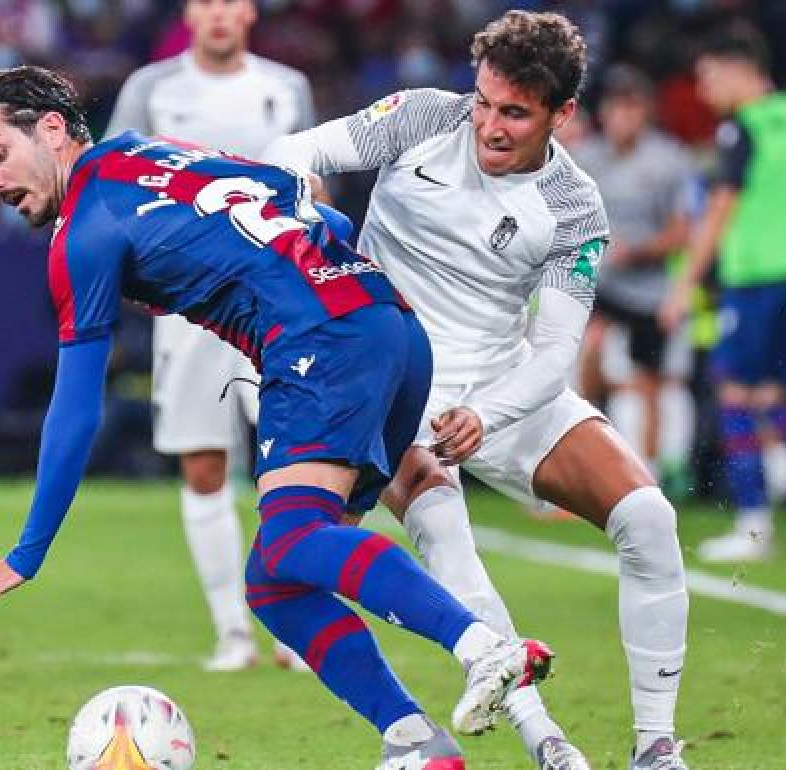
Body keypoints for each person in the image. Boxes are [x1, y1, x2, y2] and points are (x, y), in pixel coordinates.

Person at [0, 65, 555, 770]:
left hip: (318, 343)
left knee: (294, 538)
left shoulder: (83, 231)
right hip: (388, 328)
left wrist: (28, 552)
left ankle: (483, 647)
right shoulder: (158, 155)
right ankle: (415, 743)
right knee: (273, 581)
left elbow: (76, 408)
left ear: (52, 130)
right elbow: (326, 218)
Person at [264, 11, 689, 770]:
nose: (488, 125)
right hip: (391, 376)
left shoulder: (572, 205)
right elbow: (295, 149)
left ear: (562, 115)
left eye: (515, 113)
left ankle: (656, 748)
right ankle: (547, 742)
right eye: (485, 102)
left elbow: (558, 348)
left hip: (502, 381)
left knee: (650, 520)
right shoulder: (425, 115)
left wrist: (488, 413)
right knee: (451, 544)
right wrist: (299, 192)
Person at [104, 0, 317, 672]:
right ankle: (233, 633)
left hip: (275, 301)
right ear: (190, 13)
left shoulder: (285, 89)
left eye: (232, 1)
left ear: (249, 13)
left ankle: (295, 627)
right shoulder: (151, 89)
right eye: (207, 1)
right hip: (190, 307)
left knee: (293, 463)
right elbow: (111, 182)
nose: (219, 13)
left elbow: (313, 185)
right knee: (204, 464)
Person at [660, 22, 786, 562]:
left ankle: (756, 523)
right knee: (772, 393)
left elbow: (721, 207)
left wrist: (683, 284)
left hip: (757, 276)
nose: (704, 90)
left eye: (709, 76)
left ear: (740, 69)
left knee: (733, 390)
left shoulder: (741, 130)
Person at [572, 64, 696, 495]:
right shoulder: (587, 156)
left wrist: (638, 249)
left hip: (648, 291)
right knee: (583, 360)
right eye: (614, 107)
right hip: (599, 287)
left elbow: (685, 231)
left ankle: (648, 474)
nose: (621, 117)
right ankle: (582, 470)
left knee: (644, 383)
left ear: (645, 112)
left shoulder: (669, 160)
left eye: (630, 108)